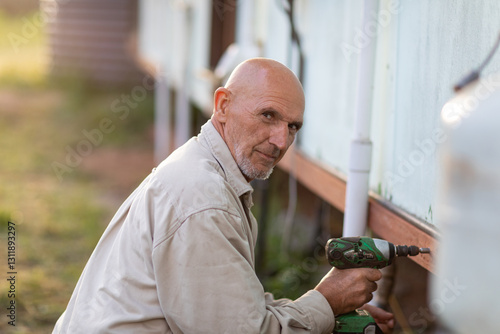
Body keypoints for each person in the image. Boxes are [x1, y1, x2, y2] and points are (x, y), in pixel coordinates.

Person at [53, 58, 394, 333]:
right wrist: (326, 301)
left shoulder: (206, 169)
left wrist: (327, 315)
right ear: (222, 105)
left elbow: (238, 310)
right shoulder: (204, 199)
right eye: (268, 115)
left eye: (292, 127)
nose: (280, 141)